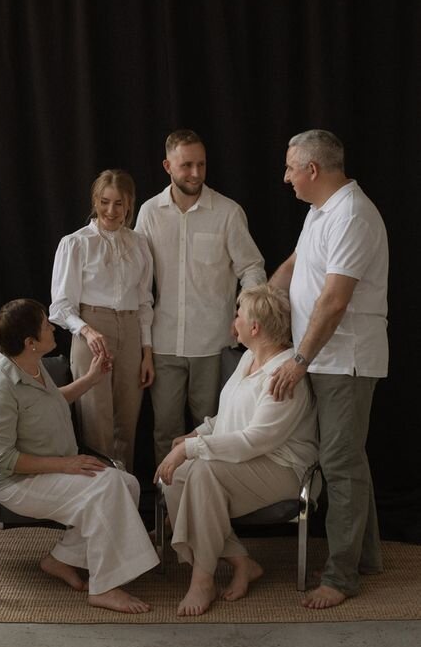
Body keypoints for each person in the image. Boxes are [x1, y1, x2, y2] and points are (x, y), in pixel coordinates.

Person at [0, 298, 159, 613]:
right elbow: (2, 460)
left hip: (46, 471)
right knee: (108, 485)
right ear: (30, 342)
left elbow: (50, 401)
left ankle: (60, 559)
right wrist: (66, 464)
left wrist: (91, 379)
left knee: (127, 484)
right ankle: (104, 587)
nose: (53, 328)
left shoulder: (29, 363)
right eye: (46, 326)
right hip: (13, 482)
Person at [269, 129, 388, 610]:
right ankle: (366, 558)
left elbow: (335, 300)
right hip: (323, 358)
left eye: (290, 168)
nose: (286, 177)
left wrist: (299, 360)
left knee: (340, 464)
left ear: (312, 169)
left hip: (344, 361)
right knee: (347, 458)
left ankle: (341, 577)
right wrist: (260, 302)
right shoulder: (319, 211)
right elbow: (295, 265)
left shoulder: (352, 215)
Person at [154, 284, 318, 617]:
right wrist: (195, 434)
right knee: (175, 478)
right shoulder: (248, 358)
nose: (234, 322)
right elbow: (228, 417)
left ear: (255, 327)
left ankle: (203, 579)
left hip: (284, 470)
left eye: (238, 315)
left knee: (202, 471)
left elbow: (255, 440)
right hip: (246, 463)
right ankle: (242, 562)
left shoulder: (284, 375)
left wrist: (191, 449)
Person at [135, 129, 266, 464]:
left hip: (213, 343)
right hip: (164, 342)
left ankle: (204, 493)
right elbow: (136, 276)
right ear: (168, 166)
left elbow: (251, 268)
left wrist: (246, 314)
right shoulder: (149, 213)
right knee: (164, 430)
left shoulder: (227, 212)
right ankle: (168, 496)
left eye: (201, 165)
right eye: (186, 165)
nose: (196, 173)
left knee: (211, 429)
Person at [49, 169, 154, 472]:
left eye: (119, 203)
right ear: (95, 201)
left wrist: (147, 353)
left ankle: (125, 491)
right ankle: (100, 493)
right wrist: (87, 330)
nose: (111, 210)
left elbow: (144, 302)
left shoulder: (139, 244)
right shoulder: (76, 243)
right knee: (96, 422)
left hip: (131, 331)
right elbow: (61, 305)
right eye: (105, 202)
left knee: (127, 423)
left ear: (129, 204)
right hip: (91, 329)